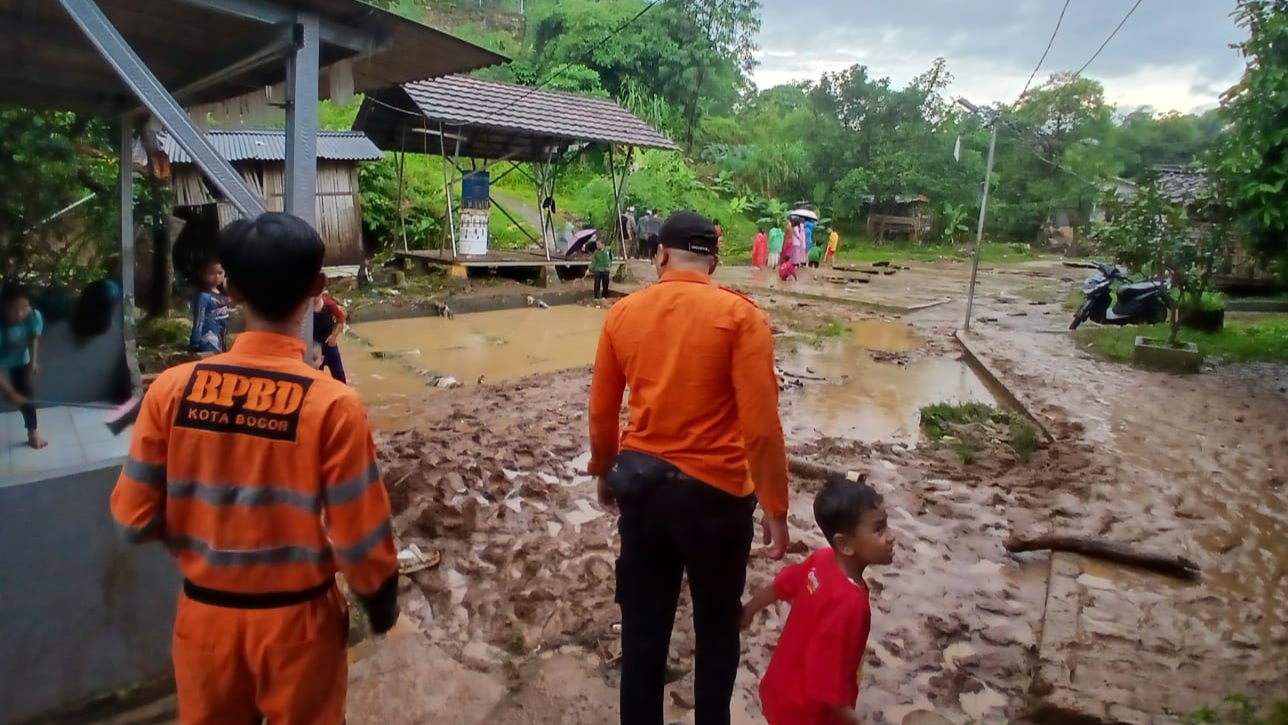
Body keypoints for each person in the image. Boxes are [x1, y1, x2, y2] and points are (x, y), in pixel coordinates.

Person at [110, 212, 400, 725]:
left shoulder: (171, 390)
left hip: (204, 620)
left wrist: (205, 538)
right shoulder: (333, 405)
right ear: (318, 287)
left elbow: (133, 519)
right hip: (299, 624)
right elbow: (361, 544)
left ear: (234, 290)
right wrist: (381, 605)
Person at [589, 211, 791, 725]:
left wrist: (602, 471)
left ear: (660, 255)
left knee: (643, 633)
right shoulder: (743, 317)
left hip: (645, 494)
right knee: (717, 631)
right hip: (718, 500)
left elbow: (603, 410)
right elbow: (762, 428)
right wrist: (776, 508)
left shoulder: (623, 314)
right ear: (714, 261)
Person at [741, 476, 895, 725]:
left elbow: (781, 586)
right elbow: (829, 691)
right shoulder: (852, 605)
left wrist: (750, 610)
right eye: (879, 529)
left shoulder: (822, 559)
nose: (891, 536)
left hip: (781, 690)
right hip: (809, 714)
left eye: (886, 526)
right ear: (844, 544)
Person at [0, 284, 46, 449]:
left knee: (26, 394)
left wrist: (33, 360)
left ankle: (33, 433)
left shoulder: (33, 316)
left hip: (19, 359)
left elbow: (33, 336)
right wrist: (9, 391)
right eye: (14, 309)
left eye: (24, 307)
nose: (20, 314)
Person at [189, 259, 231, 353]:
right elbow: (199, 320)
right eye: (211, 273)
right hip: (208, 340)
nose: (217, 277)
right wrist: (195, 342)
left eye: (220, 273)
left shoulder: (224, 296)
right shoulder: (203, 297)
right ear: (202, 274)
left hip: (222, 339)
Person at [312, 292, 348, 383]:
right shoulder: (304, 308)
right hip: (314, 347)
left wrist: (334, 336)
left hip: (329, 344)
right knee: (315, 377)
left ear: (321, 293)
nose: (315, 297)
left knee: (339, 375)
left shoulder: (329, 304)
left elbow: (341, 318)